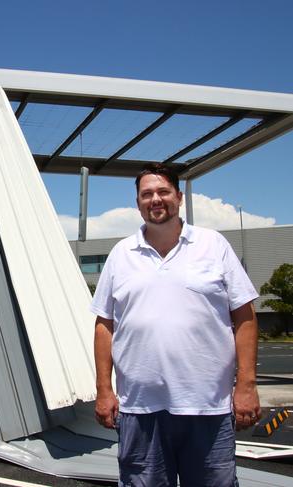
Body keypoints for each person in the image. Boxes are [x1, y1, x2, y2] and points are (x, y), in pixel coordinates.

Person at [91, 163, 261, 486]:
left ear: (179, 197)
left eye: (163, 192)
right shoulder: (120, 254)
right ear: (138, 202)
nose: (155, 199)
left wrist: (247, 385)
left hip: (208, 408)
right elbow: (104, 324)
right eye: (147, 194)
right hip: (139, 410)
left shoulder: (214, 246)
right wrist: (103, 389)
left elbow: (245, 317)